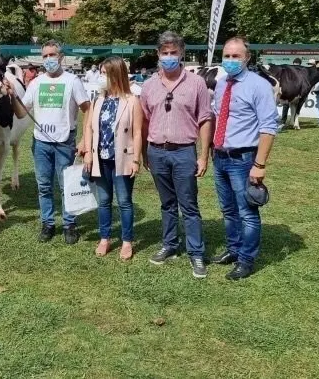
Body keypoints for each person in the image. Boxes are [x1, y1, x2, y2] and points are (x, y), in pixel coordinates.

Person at [140, 31, 213, 278]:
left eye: (173, 52)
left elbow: (205, 119)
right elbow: (144, 122)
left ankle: (196, 253)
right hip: (157, 152)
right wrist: (143, 152)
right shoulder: (149, 85)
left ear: (181, 53)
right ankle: (170, 245)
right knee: (167, 204)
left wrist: (203, 156)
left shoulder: (196, 83)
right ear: (158, 55)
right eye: (164, 53)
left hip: (184, 152)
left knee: (189, 206)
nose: (169, 57)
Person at [211, 37, 279, 280]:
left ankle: (246, 260)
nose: (230, 61)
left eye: (236, 56)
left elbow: (269, 127)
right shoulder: (221, 84)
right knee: (228, 210)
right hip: (219, 156)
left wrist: (259, 165)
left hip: (244, 159)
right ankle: (233, 249)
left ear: (247, 59)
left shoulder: (259, 85)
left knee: (247, 213)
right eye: (227, 56)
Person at [11, 40, 90, 244]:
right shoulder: (36, 83)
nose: (48, 59)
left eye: (52, 55)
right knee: (44, 186)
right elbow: (21, 113)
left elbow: (87, 109)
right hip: (41, 144)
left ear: (61, 57)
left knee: (66, 186)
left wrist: (84, 139)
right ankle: (47, 223)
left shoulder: (72, 81)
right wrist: (11, 96)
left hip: (65, 142)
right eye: (45, 56)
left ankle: (69, 224)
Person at [82, 57, 143, 260]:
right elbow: (90, 128)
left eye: (104, 73)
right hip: (101, 158)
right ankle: (105, 238)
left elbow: (137, 132)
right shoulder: (98, 100)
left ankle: (126, 241)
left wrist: (136, 159)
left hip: (122, 159)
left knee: (124, 201)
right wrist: (88, 153)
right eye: (100, 73)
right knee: (104, 201)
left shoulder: (132, 101)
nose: (101, 77)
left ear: (116, 75)